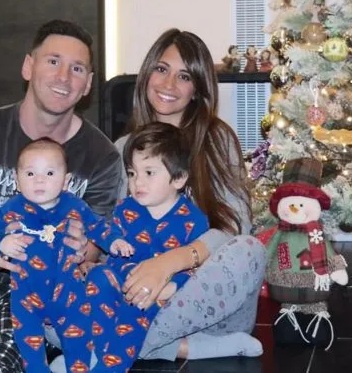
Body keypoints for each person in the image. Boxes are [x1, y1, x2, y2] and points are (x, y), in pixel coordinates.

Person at [0, 19, 122, 372]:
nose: (63, 76)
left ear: (88, 84)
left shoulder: (102, 158)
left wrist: (83, 247)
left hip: (34, 296)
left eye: (76, 68)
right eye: (52, 61)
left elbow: (95, 243)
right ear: (28, 65)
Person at [114, 28, 266, 361]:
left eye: (184, 76)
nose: (168, 84)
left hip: (212, 307)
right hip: (141, 301)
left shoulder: (216, 139)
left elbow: (236, 225)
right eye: (161, 69)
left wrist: (170, 262)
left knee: (250, 251)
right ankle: (171, 348)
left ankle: (109, 344)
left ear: (197, 89)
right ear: (147, 73)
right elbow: (110, 232)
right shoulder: (122, 150)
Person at [0, 138, 123, 373]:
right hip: (26, 295)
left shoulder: (74, 205)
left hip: (69, 293)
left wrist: (114, 240)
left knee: (78, 342)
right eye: (30, 173)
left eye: (49, 172)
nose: (39, 180)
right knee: (30, 350)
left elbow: (97, 226)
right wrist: (1, 242)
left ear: (66, 180)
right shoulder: (13, 207)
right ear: (16, 180)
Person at [85, 122, 209, 372]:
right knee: (97, 276)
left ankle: (109, 367)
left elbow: (196, 269)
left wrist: (170, 287)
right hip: (121, 283)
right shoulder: (124, 209)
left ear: (179, 178)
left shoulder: (193, 220)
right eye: (132, 173)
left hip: (158, 296)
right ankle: (99, 355)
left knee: (136, 304)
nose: (137, 182)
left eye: (149, 173)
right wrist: (110, 244)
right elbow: (112, 253)